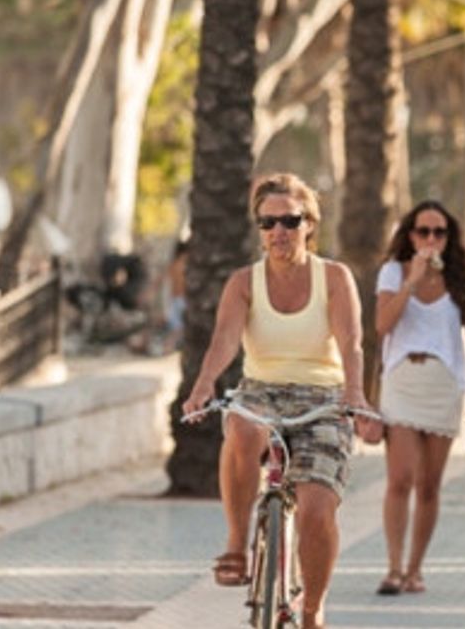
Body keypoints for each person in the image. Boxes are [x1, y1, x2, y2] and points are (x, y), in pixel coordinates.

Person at [182, 174, 378, 629]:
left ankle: (311, 610)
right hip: (262, 391)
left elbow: (352, 342)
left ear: (310, 223)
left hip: (323, 397)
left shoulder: (333, 277)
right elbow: (224, 340)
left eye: (290, 220)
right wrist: (202, 386)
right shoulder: (243, 283)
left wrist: (355, 394)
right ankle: (236, 544)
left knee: (315, 508)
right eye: (268, 223)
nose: (279, 232)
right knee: (241, 425)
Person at [373, 200, 465, 596]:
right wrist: (412, 280)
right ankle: (392, 567)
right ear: (411, 236)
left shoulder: (462, 278)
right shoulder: (393, 272)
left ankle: (414, 569)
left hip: (444, 384)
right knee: (399, 479)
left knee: (429, 485)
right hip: (403, 381)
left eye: (439, 233)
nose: (431, 239)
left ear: (449, 238)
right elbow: (382, 325)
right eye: (423, 232)